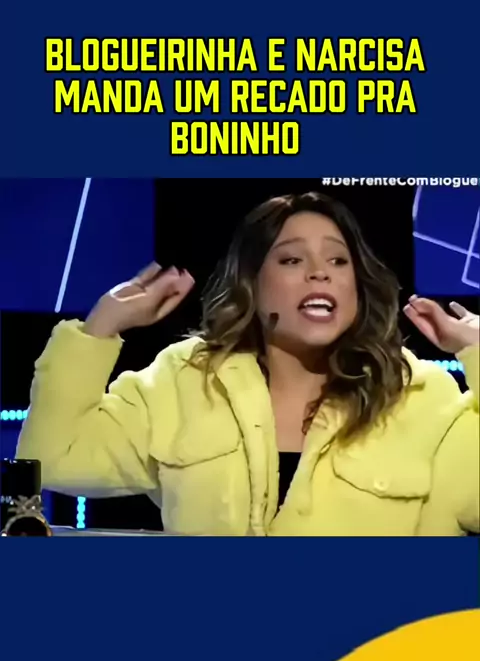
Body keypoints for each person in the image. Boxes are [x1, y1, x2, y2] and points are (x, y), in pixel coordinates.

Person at [17, 192, 479, 536]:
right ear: (252, 285)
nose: (320, 272)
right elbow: (55, 459)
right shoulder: (185, 380)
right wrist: (99, 328)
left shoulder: (420, 396)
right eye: (292, 259)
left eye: (339, 260)